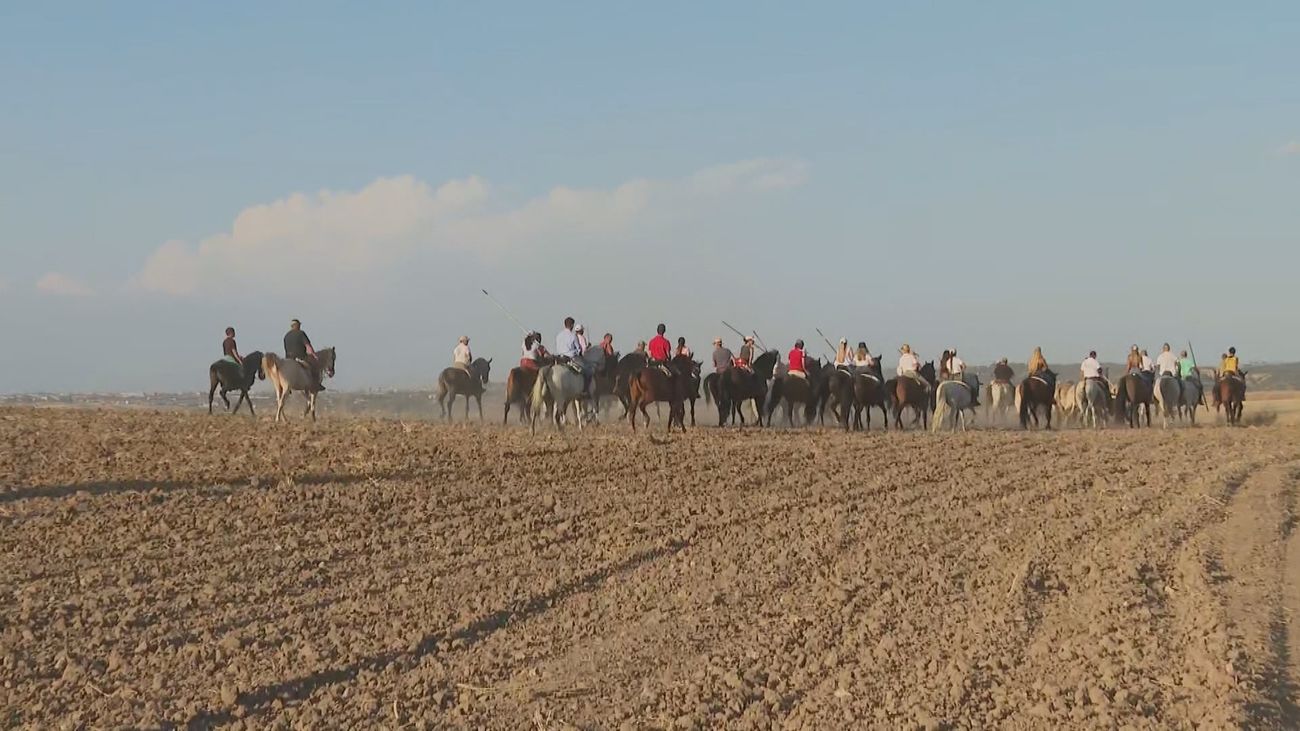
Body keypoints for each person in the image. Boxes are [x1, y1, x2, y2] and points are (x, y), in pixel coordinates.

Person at [284, 319, 324, 391]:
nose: (300, 326)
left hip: (288, 359)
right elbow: (308, 346)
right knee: (313, 367)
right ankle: (316, 385)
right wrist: (314, 355)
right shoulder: (301, 333)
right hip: (300, 358)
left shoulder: (286, 336)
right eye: (299, 325)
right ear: (297, 325)